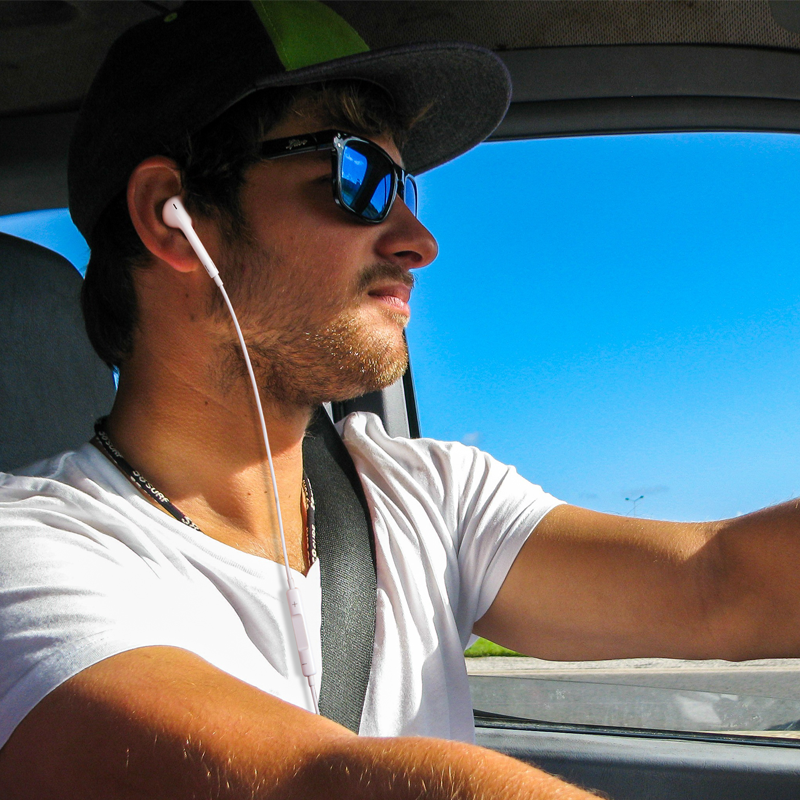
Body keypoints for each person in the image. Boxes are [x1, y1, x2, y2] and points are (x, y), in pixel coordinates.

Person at [1, 1, 799, 798]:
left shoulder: (430, 495)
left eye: (406, 185)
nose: (420, 241)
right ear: (174, 220)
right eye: (360, 177)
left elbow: (717, 582)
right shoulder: (30, 551)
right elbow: (315, 780)